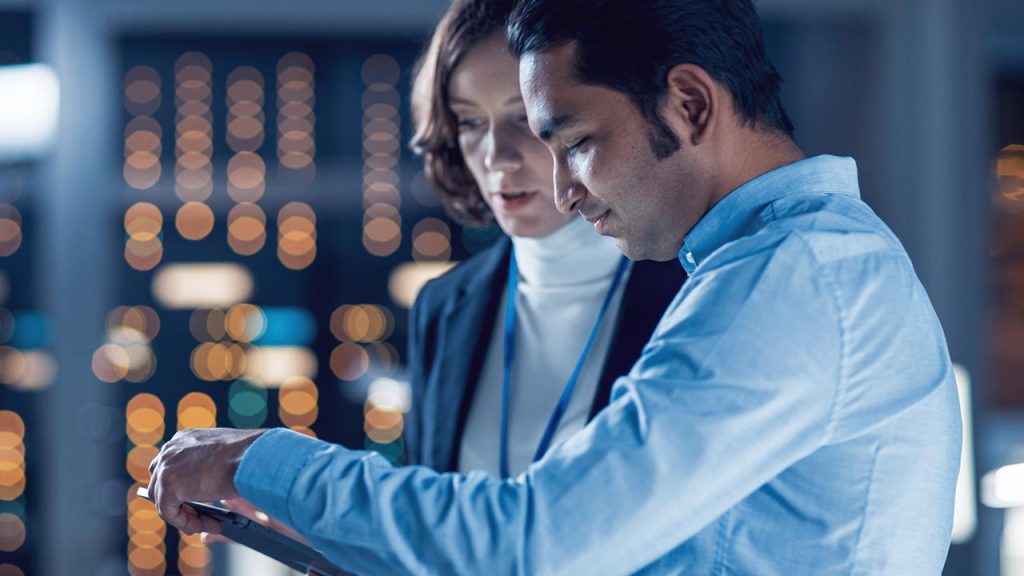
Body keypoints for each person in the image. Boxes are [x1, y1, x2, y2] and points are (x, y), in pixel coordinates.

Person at [148, 0, 963, 574]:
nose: (563, 190)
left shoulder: (791, 280)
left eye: (574, 142)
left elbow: (534, 546)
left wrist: (258, 459)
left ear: (688, 104)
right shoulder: (775, 269)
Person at [403, 0, 682, 477]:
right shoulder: (442, 305)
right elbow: (425, 505)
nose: (497, 157)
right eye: (470, 122)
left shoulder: (693, 283)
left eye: (528, 117)